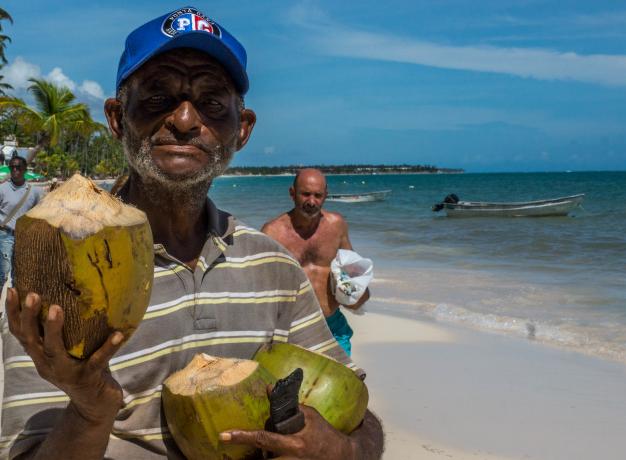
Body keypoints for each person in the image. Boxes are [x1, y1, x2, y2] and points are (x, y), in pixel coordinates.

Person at [0, 7, 383, 460]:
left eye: (212, 103)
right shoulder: (59, 272)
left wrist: (345, 450)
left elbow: (357, 411)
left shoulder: (274, 268)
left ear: (241, 129)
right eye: (159, 97)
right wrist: (89, 410)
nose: (184, 120)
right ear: (118, 118)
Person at [262, 169, 370, 356]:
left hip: (332, 327)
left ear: (326, 196)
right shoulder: (272, 233)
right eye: (306, 194)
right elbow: (261, 290)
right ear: (292, 193)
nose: (312, 202)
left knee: (345, 382)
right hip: (293, 330)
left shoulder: (337, 225)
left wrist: (358, 293)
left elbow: (351, 272)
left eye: (318, 195)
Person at [0, 156, 43, 286]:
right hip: (4, 235)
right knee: (2, 274)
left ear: (24, 169)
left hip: (24, 237)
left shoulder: (34, 191)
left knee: (19, 276)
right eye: (12, 167)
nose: (14, 170)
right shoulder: (2, 189)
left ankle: (13, 305)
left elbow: (39, 213)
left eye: (18, 167)